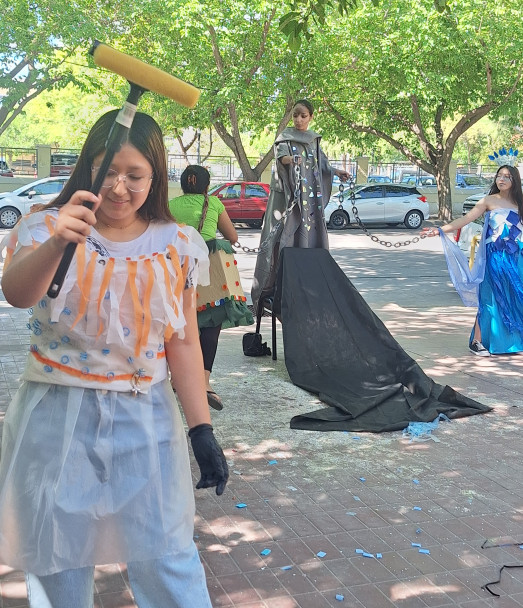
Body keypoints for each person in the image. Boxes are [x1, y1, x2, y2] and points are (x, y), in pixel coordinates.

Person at [0, 110, 228, 608]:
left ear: (156, 175)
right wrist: (61, 238)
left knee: (168, 556)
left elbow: (184, 341)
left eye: (135, 174)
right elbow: (16, 293)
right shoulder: (45, 225)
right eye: (108, 172)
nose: (119, 188)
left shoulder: (177, 244)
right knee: (57, 561)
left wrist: (201, 429)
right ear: (88, 169)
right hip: (55, 416)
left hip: (144, 418)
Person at [251, 99, 350, 313]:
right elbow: (281, 158)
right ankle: (272, 286)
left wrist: (336, 172)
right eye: (295, 115)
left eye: (303, 116)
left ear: (311, 117)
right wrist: (291, 160)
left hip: (306, 203)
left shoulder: (313, 140)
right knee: (278, 239)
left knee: (304, 239)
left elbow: (321, 165)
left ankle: (304, 286)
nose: (298, 120)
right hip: (284, 199)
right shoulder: (284, 137)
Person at [169, 165, 253, 410]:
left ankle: (177, 379)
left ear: (183, 184)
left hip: (178, 269)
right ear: (206, 186)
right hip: (210, 268)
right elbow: (232, 236)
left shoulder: (170, 206)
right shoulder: (213, 204)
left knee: (181, 323)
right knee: (211, 324)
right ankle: (204, 382)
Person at [422, 163, 523, 356]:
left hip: (516, 256)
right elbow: (465, 219)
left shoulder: (520, 203)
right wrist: (439, 230)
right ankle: (477, 341)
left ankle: (512, 341)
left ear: (514, 180)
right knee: (489, 295)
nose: (501, 179)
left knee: (515, 295)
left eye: (507, 176)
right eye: (499, 175)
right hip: (494, 257)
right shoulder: (488, 201)